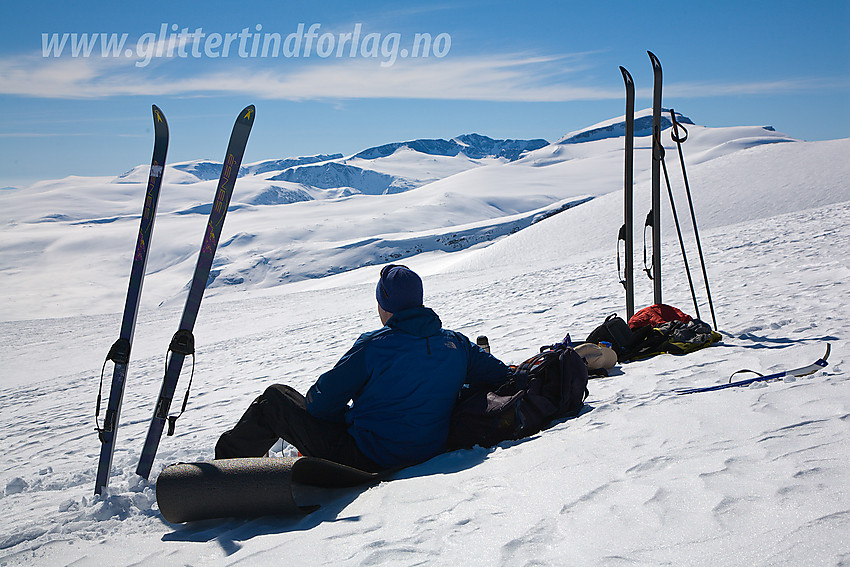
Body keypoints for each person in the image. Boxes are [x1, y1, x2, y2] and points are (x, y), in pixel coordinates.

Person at [215, 264, 510, 472]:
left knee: (274, 400)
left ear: (385, 304)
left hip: (368, 458)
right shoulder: (456, 344)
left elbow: (320, 405)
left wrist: (345, 419)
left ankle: (221, 473)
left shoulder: (374, 346)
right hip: (429, 450)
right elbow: (500, 375)